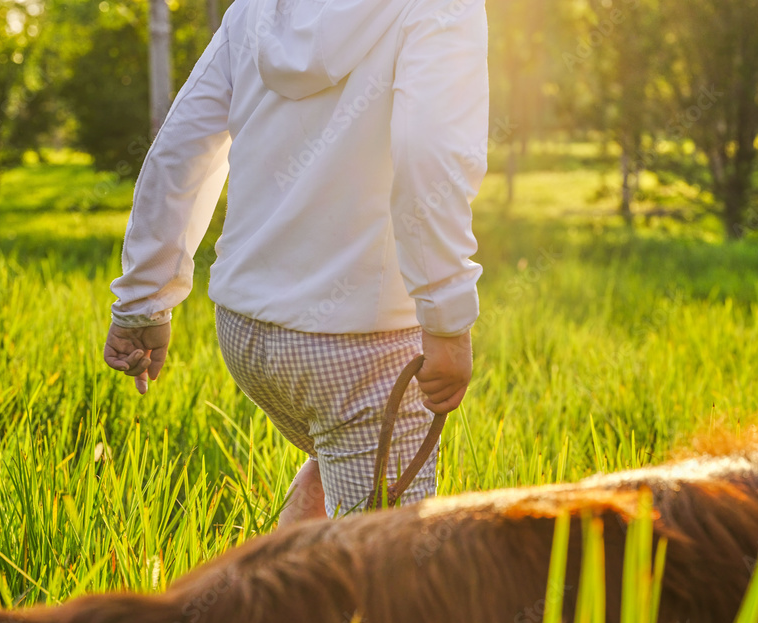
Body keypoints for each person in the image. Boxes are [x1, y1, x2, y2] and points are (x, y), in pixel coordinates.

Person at [103, 0, 489, 525]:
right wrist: (446, 323)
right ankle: (269, 605)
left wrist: (143, 303)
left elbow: (181, 148)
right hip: (358, 347)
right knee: (389, 579)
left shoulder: (257, 7)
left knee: (336, 466)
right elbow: (430, 157)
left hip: (245, 332)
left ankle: (270, 589)